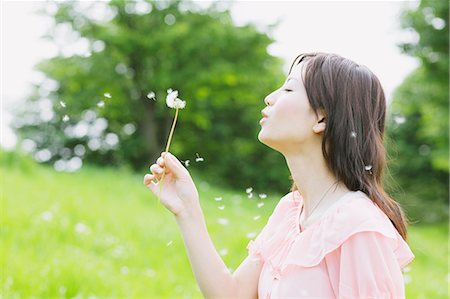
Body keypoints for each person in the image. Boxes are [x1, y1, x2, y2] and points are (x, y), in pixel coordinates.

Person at [143, 52, 415, 298]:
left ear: (321, 118)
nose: (270, 97)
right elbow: (232, 295)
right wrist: (187, 210)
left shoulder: (359, 227)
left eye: (288, 88)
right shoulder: (291, 211)